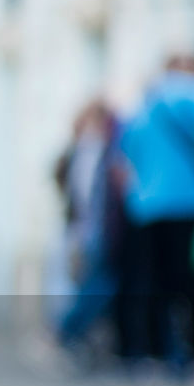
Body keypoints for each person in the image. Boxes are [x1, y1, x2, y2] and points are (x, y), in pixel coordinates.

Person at [118, 53, 194, 374]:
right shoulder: (192, 93)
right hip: (186, 201)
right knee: (192, 280)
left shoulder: (142, 103)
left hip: (144, 206)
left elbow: (124, 160)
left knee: (154, 280)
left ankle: (154, 350)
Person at [52, 99, 128, 367]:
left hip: (89, 230)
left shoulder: (89, 150)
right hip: (95, 231)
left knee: (95, 285)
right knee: (98, 285)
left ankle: (77, 336)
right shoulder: (93, 150)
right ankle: (65, 332)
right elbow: (87, 195)